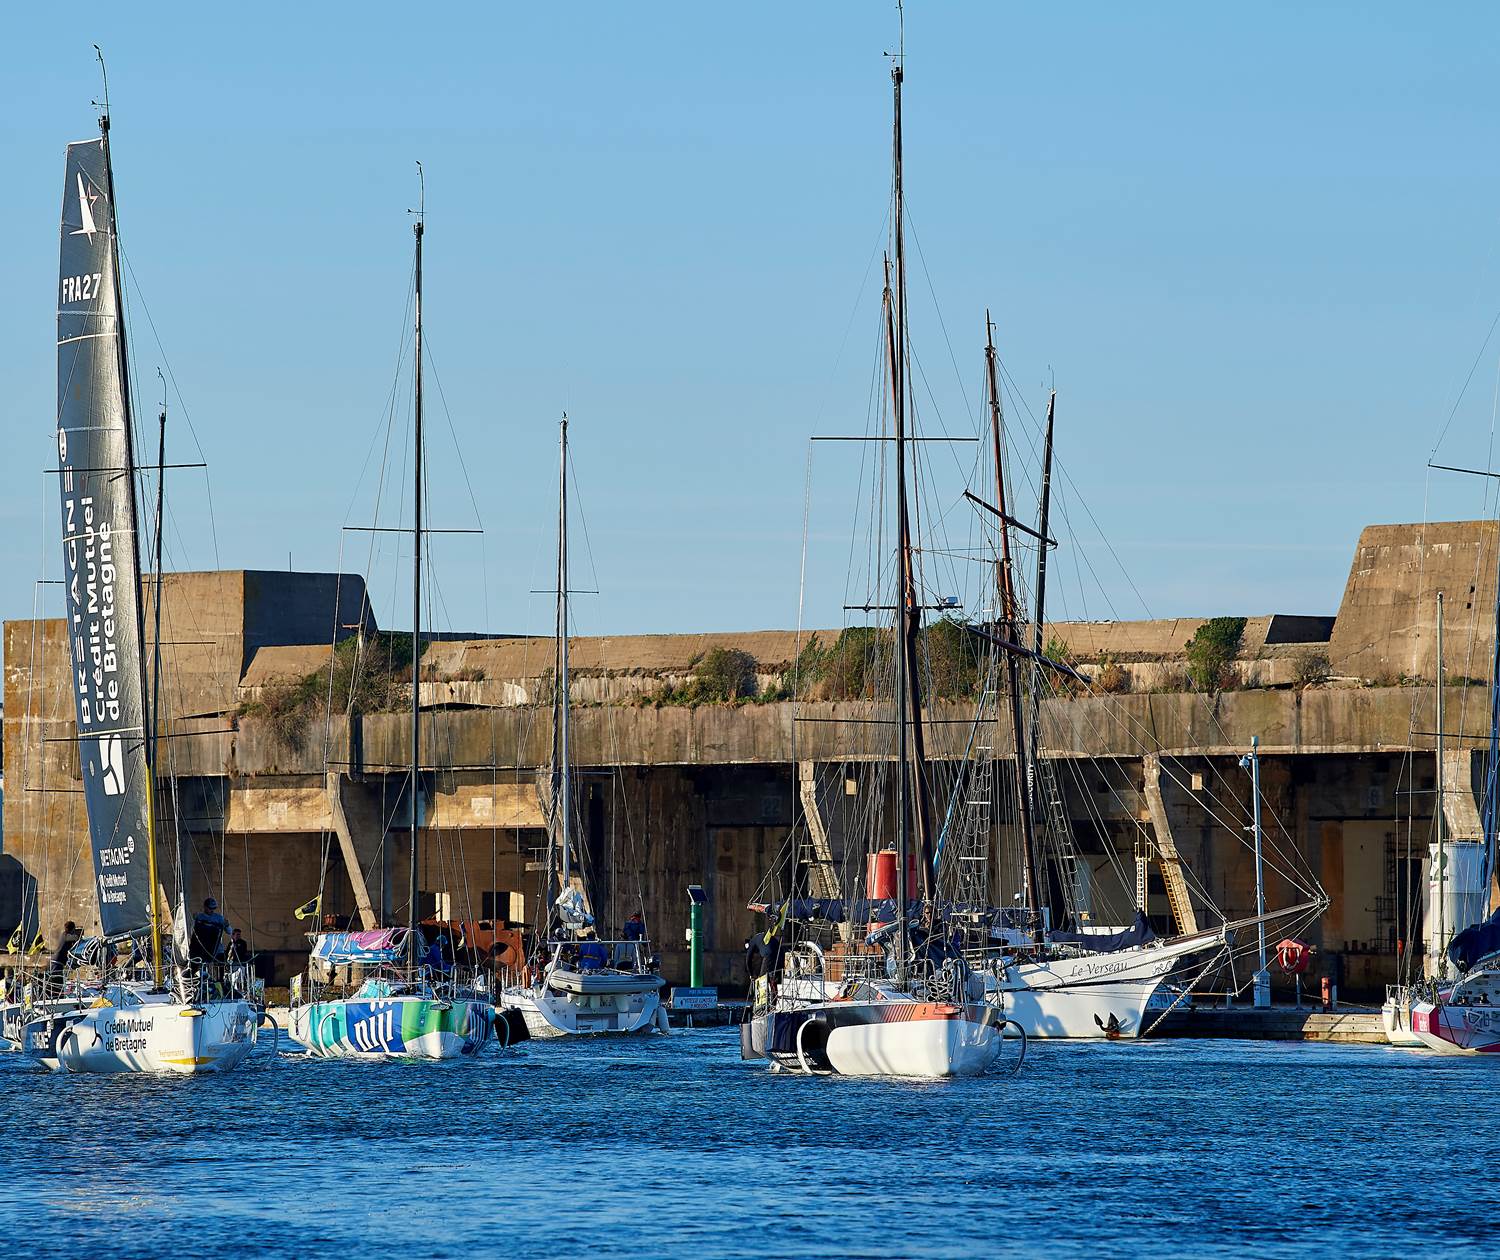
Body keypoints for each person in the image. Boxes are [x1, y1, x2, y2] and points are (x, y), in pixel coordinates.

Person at [191, 898, 230, 964]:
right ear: (205, 907)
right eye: (210, 908)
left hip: (216, 949)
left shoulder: (219, 918)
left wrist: (227, 925)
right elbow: (192, 930)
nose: (212, 910)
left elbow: (229, 932)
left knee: (221, 965)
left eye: (214, 908)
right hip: (202, 948)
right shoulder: (199, 917)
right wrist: (193, 920)